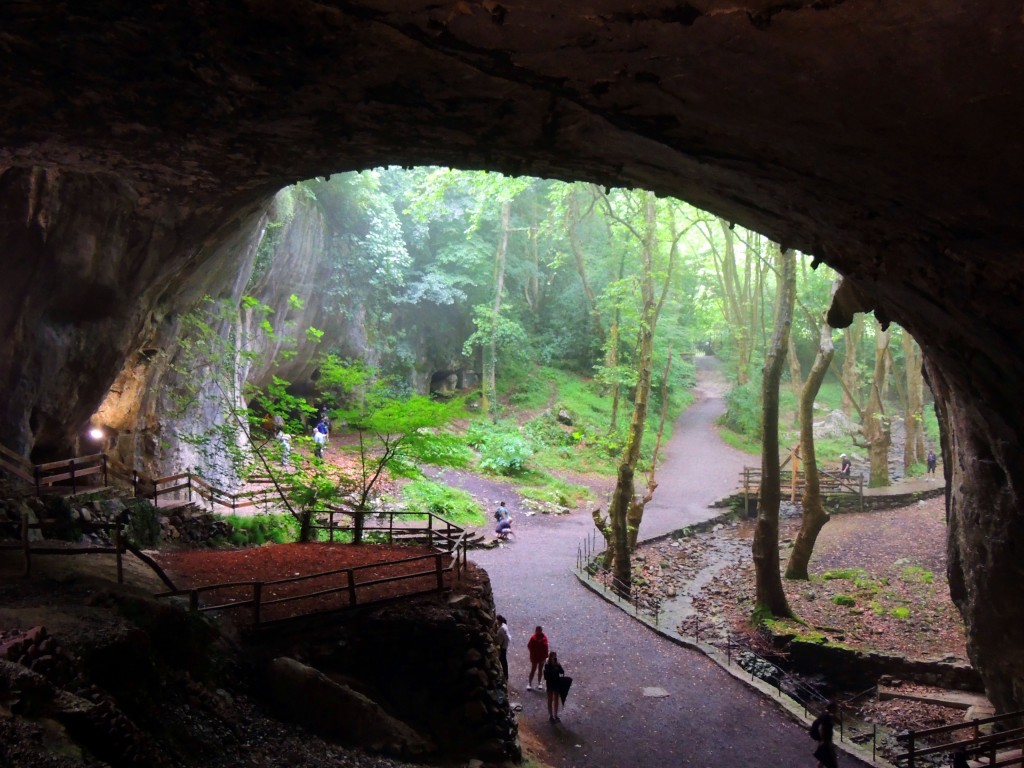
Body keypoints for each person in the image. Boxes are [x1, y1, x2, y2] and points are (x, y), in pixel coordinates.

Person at [810, 701, 838, 768]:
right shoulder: (826, 717)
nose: (837, 710)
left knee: (823, 758)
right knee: (831, 759)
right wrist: (823, 740)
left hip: (826, 740)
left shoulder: (826, 714)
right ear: (832, 709)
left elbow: (835, 719)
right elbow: (821, 728)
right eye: (836, 708)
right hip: (825, 740)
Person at [543, 651, 565, 722]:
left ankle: (556, 714)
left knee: (556, 700)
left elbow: (562, 673)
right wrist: (553, 668)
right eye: (553, 657)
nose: (554, 658)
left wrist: (560, 679)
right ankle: (551, 715)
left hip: (556, 684)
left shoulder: (558, 664)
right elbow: (546, 676)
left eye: (555, 656)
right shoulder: (547, 665)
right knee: (550, 699)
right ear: (550, 657)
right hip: (550, 684)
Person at [527, 626, 549, 691]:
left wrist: (545, 656)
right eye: (538, 630)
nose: (539, 632)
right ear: (536, 631)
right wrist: (533, 653)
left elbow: (546, 647)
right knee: (533, 670)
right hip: (535, 657)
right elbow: (529, 646)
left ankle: (539, 683)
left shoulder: (544, 638)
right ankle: (529, 683)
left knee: (540, 670)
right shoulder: (533, 638)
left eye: (540, 630)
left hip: (541, 657)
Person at [496, 615, 511, 681]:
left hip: (502, 646)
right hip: (503, 645)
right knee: (503, 660)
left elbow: (506, 638)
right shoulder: (503, 626)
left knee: (503, 660)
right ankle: (504, 674)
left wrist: (501, 645)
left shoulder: (502, 629)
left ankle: (505, 675)